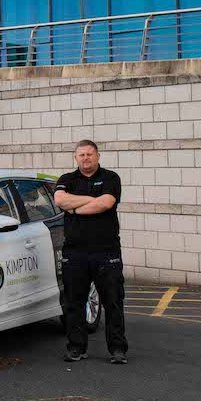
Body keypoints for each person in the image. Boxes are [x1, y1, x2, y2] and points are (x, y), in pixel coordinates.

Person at [54, 140, 129, 365]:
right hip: (75, 252)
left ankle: (117, 350)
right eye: (81, 155)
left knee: (113, 301)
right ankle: (76, 348)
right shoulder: (66, 180)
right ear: (75, 158)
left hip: (106, 251)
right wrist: (88, 201)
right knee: (74, 302)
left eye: (89, 154)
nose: (86, 158)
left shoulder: (111, 178)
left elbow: (105, 204)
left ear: (98, 156)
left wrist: (74, 206)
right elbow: (59, 200)